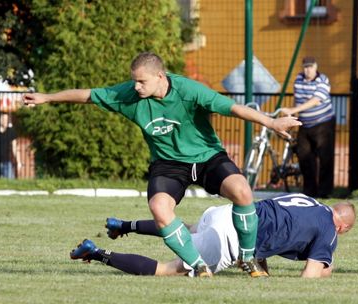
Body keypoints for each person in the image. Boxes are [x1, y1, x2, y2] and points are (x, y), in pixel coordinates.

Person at [23, 52, 301, 277]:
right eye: (134, 81)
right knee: (159, 208)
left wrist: (271, 122)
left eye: (141, 81)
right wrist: (46, 97)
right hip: (168, 164)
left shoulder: (188, 90)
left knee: (241, 190)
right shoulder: (129, 96)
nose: (135, 87)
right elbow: (89, 94)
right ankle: (198, 267)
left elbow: (233, 108)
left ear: (160, 76)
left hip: (207, 157)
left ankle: (249, 259)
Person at [70, 193, 356, 278]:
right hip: (229, 237)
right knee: (167, 270)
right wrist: (326, 269)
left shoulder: (305, 199)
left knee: (181, 230)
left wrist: (261, 273)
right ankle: (95, 252)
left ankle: (126, 225)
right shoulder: (330, 230)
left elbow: (269, 230)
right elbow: (311, 276)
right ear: (342, 227)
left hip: (226, 213)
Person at [281, 56, 335, 198]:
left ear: (316, 67)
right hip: (305, 123)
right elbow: (298, 100)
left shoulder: (323, 80)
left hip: (323, 122)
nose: (308, 70)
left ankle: (324, 192)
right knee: (304, 157)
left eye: (310, 67)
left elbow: (315, 101)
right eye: (305, 67)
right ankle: (309, 191)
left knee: (325, 158)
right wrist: (293, 118)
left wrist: (292, 110)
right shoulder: (298, 80)